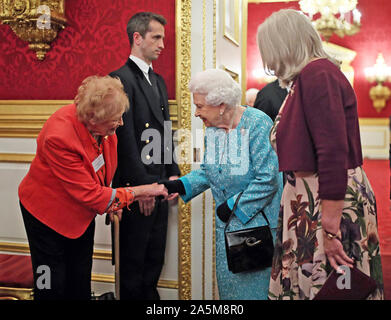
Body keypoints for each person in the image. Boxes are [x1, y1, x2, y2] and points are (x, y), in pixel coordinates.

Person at [257, 9, 384, 300]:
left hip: (325, 201)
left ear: (284, 45)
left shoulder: (318, 74)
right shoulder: (311, 76)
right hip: (316, 199)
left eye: (270, 52)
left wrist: (330, 229)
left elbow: (331, 151)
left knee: (333, 288)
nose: (270, 63)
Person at [18, 75, 168, 300]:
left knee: (79, 279)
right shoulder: (59, 137)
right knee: (50, 283)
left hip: (79, 216)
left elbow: (100, 173)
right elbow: (92, 195)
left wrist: (113, 199)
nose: (121, 124)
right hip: (44, 217)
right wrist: (142, 191)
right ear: (92, 117)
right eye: (115, 119)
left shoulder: (104, 128)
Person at [161, 69, 283, 300]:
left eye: (200, 106)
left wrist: (233, 206)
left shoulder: (257, 124)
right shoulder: (213, 131)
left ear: (221, 105)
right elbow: (210, 172)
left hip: (257, 232)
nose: (196, 113)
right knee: (230, 296)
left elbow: (267, 178)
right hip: (227, 231)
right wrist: (180, 185)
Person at [109, 12, 181, 300]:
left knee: (153, 263)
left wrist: (173, 172)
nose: (162, 44)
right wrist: (142, 189)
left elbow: (164, 131)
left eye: (163, 37)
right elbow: (123, 140)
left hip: (160, 183)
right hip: (136, 188)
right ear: (137, 38)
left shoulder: (159, 81)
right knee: (133, 267)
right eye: (157, 37)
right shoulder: (119, 79)